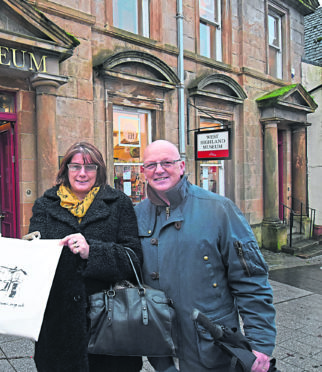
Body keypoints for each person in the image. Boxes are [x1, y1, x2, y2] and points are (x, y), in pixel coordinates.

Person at [135, 140, 276, 372]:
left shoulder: (219, 209)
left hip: (212, 346)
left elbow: (251, 280)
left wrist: (260, 343)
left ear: (181, 167)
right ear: (143, 172)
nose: (159, 170)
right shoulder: (137, 215)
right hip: (162, 349)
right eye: (151, 165)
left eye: (166, 163)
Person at [28, 142, 143, 372]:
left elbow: (133, 259)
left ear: (99, 171)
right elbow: (34, 256)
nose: (82, 173)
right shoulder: (44, 204)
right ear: (65, 170)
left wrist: (93, 251)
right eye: (76, 166)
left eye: (90, 167)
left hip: (111, 324)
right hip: (58, 327)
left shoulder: (119, 204)